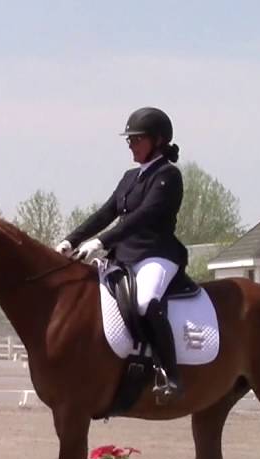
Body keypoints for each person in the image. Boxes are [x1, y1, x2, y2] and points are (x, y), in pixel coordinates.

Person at [56, 107, 188, 403]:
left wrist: (101, 241)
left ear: (158, 140)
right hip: (124, 255)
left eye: (137, 139)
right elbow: (106, 212)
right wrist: (71, 240)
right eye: (129, 140)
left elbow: (143, 217)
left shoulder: (168, 176)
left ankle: (171, 375)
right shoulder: (130, 177)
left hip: (156, 254)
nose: (131, 145)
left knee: (145, 302)